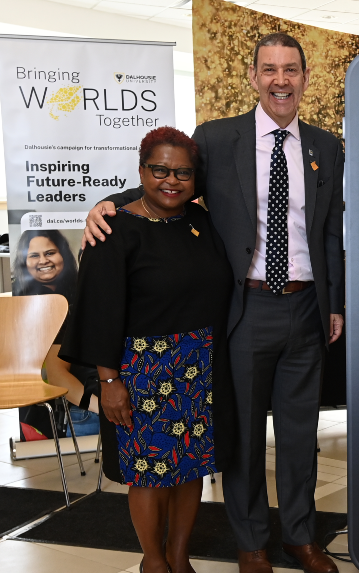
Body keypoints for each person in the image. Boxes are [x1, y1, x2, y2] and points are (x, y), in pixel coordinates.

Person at [82, 33, 344, 573]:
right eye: (268, 69)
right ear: (252, 76)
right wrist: (108, 206)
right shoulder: (218, 139)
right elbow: (168, 184)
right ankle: (250, 543)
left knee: (300, 435)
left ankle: (300, 535)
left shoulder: (325, 146)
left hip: (305, 308)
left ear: (304, 77)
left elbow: (330, 232)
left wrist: (334, 302)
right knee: (241, 433)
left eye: (290, 70)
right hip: (242, 310)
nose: (280, 80)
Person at [62, 126, 234, 573]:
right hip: (141, 372)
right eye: (160, 170)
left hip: (199, 366)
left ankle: (180, 554)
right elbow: (99, 311)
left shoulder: (199, 221)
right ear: (142, 171)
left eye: (183, 172)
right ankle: (153, 560)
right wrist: (109, 382)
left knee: (191, 467)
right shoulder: (114, 229)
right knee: (149, 473)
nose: (171, 180)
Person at [13, 230, 100, 439]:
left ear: (63, 256)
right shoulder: (42, 305)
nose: (43, 260)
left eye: (50, 252)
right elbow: (57, 374)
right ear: (24, 261)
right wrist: (101, 408)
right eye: (34, 255)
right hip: (81, 409)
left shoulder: (76, 297)